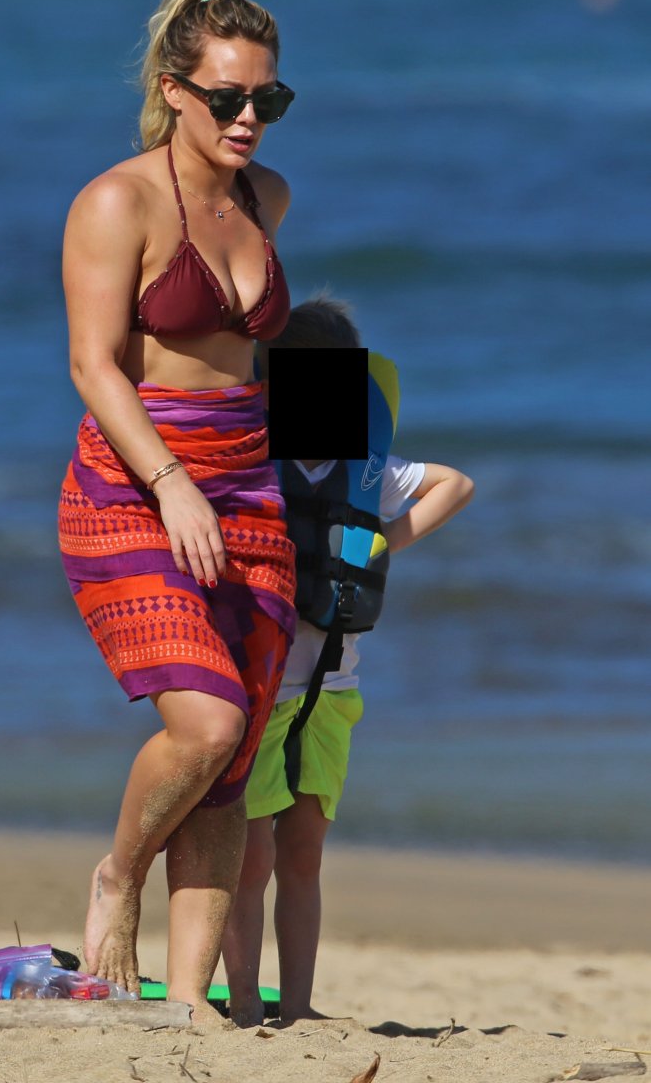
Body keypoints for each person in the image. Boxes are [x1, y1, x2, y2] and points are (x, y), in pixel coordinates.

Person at [57, 0, 299, 1018]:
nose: (248, 118)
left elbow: (264, 361)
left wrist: (336, 478)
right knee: (204, 722)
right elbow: (93, 364)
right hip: (131, 489)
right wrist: (172, 486)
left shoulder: (265, 198)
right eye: (228, 98)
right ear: (174, 89)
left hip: (250, 492)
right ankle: (117, 877)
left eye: (267, 99)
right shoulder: (118, 201)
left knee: (233, 759)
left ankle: (191, 996)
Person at [222, 296, 475, 1025]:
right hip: (258, 692)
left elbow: (454, 484)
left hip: (331, 691)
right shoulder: (250, 462)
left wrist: (382, 542)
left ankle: (297, 1006)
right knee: (251, 859)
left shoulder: (366, 471)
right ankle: (244, 1001)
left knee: (302, 856)